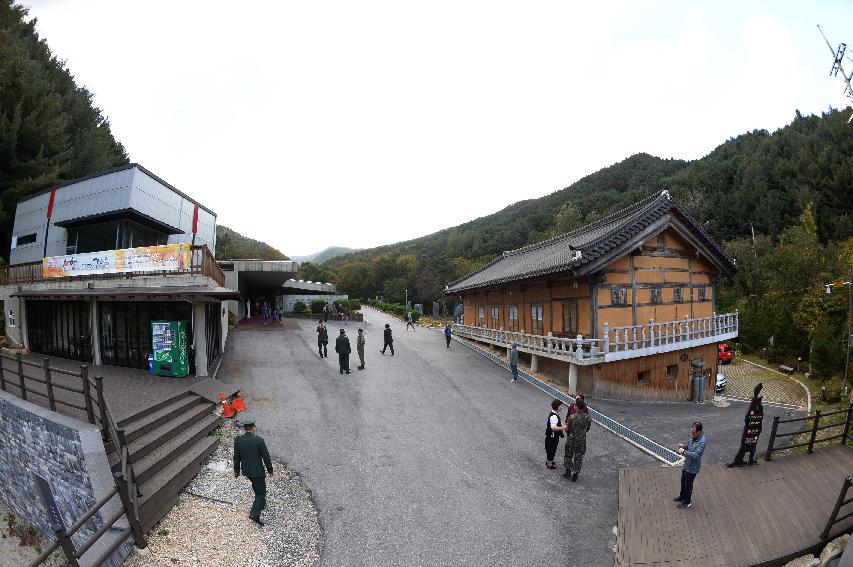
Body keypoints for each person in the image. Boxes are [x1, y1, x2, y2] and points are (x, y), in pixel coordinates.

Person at [233, 417, 273, 526]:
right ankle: (254, 514)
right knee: (261, 493)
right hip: (258, 472)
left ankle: (261, 503)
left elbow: (236, 457)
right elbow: (266, 457)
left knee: (257, 486)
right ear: (253, 428)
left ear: (245, 428)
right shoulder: (259, 441)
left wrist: (236, 471)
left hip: (246, 471)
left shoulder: (238, 440)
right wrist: (270, 470)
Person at [674, 422, 706, 509]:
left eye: (693, 432)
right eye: (691, 431)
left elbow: (696, 455)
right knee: (683, 482)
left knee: (688, 485)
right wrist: (683, 447)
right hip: (687, 465)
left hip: (692, 468)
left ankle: (687, 502)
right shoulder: (694, 437)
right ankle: (682, 497)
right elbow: (688, 445)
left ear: (699, 432)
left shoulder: (702, 442)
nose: (692, 433)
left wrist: (684, 452)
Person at [563, 397, 592, 482]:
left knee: (568, 456)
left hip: (571, 441)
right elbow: (587, 429)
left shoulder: (571, 417)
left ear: (576, 407)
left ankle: (568, 472)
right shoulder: (588, 418)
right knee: (578, 458)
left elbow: (568, 429)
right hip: (581, 442)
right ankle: (575, 475)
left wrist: (565, 429)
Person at [545, 399, 566, 469]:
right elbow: (554, 427)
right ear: (557, 406)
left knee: (551, 449)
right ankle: (549, 464)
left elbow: (556, 423)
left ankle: (549, 461)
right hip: (552, 437)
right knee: (551, 449)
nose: (562, 407)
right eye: (560, 406)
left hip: (551, 436)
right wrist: (563, 427)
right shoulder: (554, 416)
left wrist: (561, 424)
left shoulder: (554, 413)